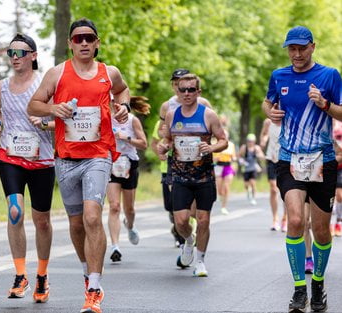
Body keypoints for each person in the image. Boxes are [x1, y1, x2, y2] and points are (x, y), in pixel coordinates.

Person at [28, 18, 130, 313]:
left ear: (97, 43)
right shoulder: (57, 74)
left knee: (92, 216)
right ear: (70, 43)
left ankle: (95, 288)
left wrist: (123, 108)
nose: (84, 43)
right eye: (78, 38)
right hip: (66, 158)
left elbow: (123, 93)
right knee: (75, 224)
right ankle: (87, 272)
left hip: (98, 155)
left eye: (89, 38)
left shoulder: (109, 73)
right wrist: (52, 108)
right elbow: (32, 105)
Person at [262, 26, 342, 313]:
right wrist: (269, 112)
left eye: (301, 48)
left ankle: (318, 284)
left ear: (312, 47)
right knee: (296, 221)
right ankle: (299, 289)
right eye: (291, 49)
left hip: (323, 160)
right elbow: (267, 101)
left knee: (321, 231)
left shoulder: (329, 75)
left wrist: (325, 104)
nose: (296, 54)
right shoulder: (279, 75)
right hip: (289, 159)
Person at [0, 33, 55, 303]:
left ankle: (41, 275)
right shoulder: (1, 86)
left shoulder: (46, 84)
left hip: (42, 159)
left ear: (33, 56)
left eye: (21, 53)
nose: (15, 58)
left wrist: (45, 124)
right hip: (10, 157)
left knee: (42, 221)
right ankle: (20, 275)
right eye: (11, 53)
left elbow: (61, 120)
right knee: (15, 212)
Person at [158, 73, 227, 277]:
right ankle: (188, 241)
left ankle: (200, 261)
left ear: (198, 91)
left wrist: (212, 147)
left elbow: (224, 140)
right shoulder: (172, 114)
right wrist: (164, 147)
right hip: (180, 176)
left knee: (204, 220)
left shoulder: (208, 115)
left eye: (191, 89)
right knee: (180, 221)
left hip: (204, 176)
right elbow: (168, 140)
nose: (187, 93)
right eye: (182, 90)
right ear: (177, 92)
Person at [107, 96, 149, 262]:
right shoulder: (104, 119)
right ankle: (115, 246)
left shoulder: (132, 120)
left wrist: (125, 138)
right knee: (114, 206)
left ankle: (130, 226)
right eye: (109, 101)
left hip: (129, 164)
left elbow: (143, 144)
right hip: (111, 163)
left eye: (114, 101)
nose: (112, 104)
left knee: (129, 209)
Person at [260, 118, 287, 230]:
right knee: (273, 189)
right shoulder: (267, 121)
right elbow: (264, 134)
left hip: (284, 158)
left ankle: (285, 218)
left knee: (285, 190)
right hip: (271, 158)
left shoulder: (288, 120)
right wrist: (264, 140)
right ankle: (275, 218)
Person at [213, 129, 236, 215]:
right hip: (219, 166)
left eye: (226, 135)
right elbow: (213, 158)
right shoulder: (216, 145)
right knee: (220, 189)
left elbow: (234, 156)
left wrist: (234, 159)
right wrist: (217, 158)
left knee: (226, 187)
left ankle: (224, 207)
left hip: (228, 166)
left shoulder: (231, 145)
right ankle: (221, 197)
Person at [238, 133, 265, 206]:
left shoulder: (256, 148)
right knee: (246, 185)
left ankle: (253, 198)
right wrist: (241, 161)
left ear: (254, 141)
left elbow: (262, 157)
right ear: (247, 141)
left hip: (253, 167)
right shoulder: (244, 147)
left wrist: (259, 155)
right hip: (246, 168)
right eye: (249, 141)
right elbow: (239, 156)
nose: (250, 143)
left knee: (253, 183)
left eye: (252, 141)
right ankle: (248, 191)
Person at [332, 121, 342, 237]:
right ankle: (328, 223)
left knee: (339, 195)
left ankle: (339, 222)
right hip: (325, 165)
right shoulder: (324, 121)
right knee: (327, 196)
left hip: (341, 166)